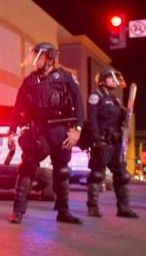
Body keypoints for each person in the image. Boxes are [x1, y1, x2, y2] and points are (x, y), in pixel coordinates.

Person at [7, 42, 83, 225]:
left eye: (38, 56)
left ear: (49, 58)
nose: (34, 60)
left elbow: (79, 104)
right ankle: (18, 212)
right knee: (27, 168)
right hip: (37, 131)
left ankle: (63, 212)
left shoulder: (65, 78)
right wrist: (12, 132)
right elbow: (17, 109)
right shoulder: (29, 81)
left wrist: (77, 130)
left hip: (60, 130)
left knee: (62, 171)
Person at [85, 67, 138, 218]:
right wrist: (95, 139)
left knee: (122, 175)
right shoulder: (96, 96)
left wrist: (127, 113)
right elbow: (92, 119)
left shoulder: (116, 100)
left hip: (115, 143)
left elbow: (123, 120)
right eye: (112, 77)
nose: (115, 81)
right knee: (96, 175)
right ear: (103, 80)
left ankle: (124, 208)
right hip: (102, 141)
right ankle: (93, 207)